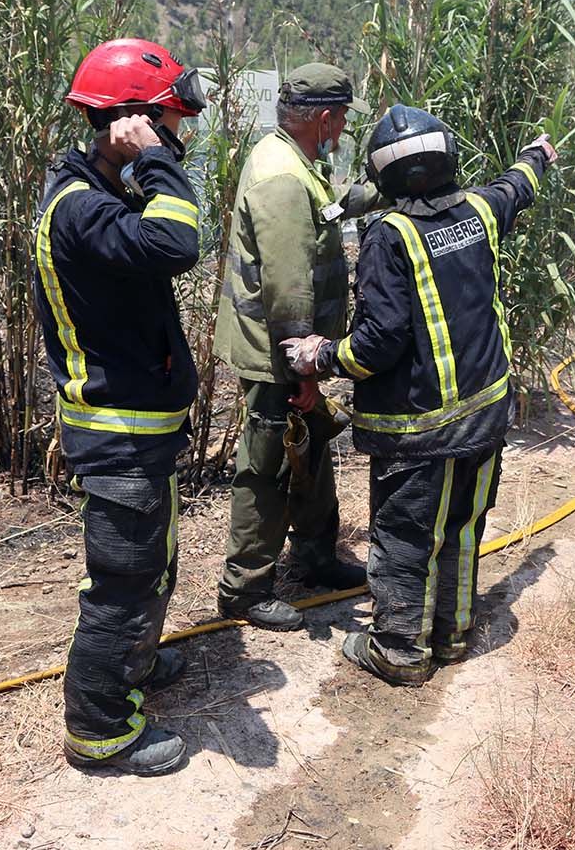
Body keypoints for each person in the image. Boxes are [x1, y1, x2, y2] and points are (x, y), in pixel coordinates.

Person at [281, 105, 556, 686]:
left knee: (405, 538)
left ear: (383, 177)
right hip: (485, 419)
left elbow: (377, 343)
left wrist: (321, 355)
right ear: (449, 159)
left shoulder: (390, 236)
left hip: (418, 432)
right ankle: (451, 635)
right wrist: (538, 154)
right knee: (461, 526)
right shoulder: (480, 211)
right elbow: (516, 186)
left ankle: (401, 651)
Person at [34, 37, 207, 776]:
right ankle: (100, 729)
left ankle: (133, 665)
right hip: (117, 433)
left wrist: (143, 162)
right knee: (124, 580)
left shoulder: (99, 196)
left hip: (141, 427)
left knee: (152, 564)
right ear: (130, 123)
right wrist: (152, 159)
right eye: (169, 123)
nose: (180, 137)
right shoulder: (81, 209)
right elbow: (180, 239)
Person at [212, 63, 378, 630]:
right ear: (325, 117)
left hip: (282, 347)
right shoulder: (282, 176)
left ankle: (313, 557)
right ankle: (244, 589)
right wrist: (304, 369)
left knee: (305, 449)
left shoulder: (294, 160)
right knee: (267, 466)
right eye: (343, 119)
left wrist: (377, 191)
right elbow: (288, 287)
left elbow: (325, 212)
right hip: (276, 350)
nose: (343, 129)